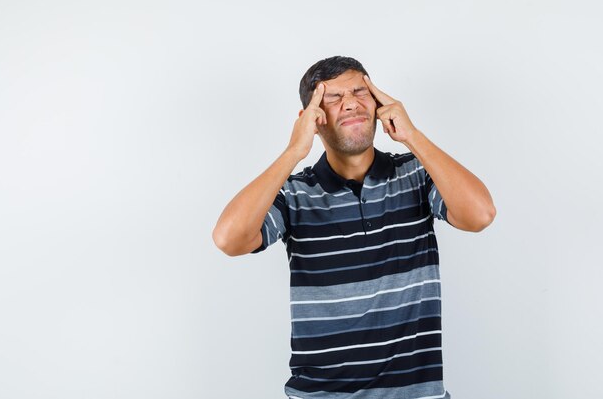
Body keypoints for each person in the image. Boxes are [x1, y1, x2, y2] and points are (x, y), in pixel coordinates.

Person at [212, 56, 496, 399]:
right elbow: (229, 239)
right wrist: (293, 152)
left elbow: (479, 214)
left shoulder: (416, 176)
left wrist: (413, 136)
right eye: (333, 98)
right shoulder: (294, 193)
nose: (351, 103)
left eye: (361, 91)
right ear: (313, 119)